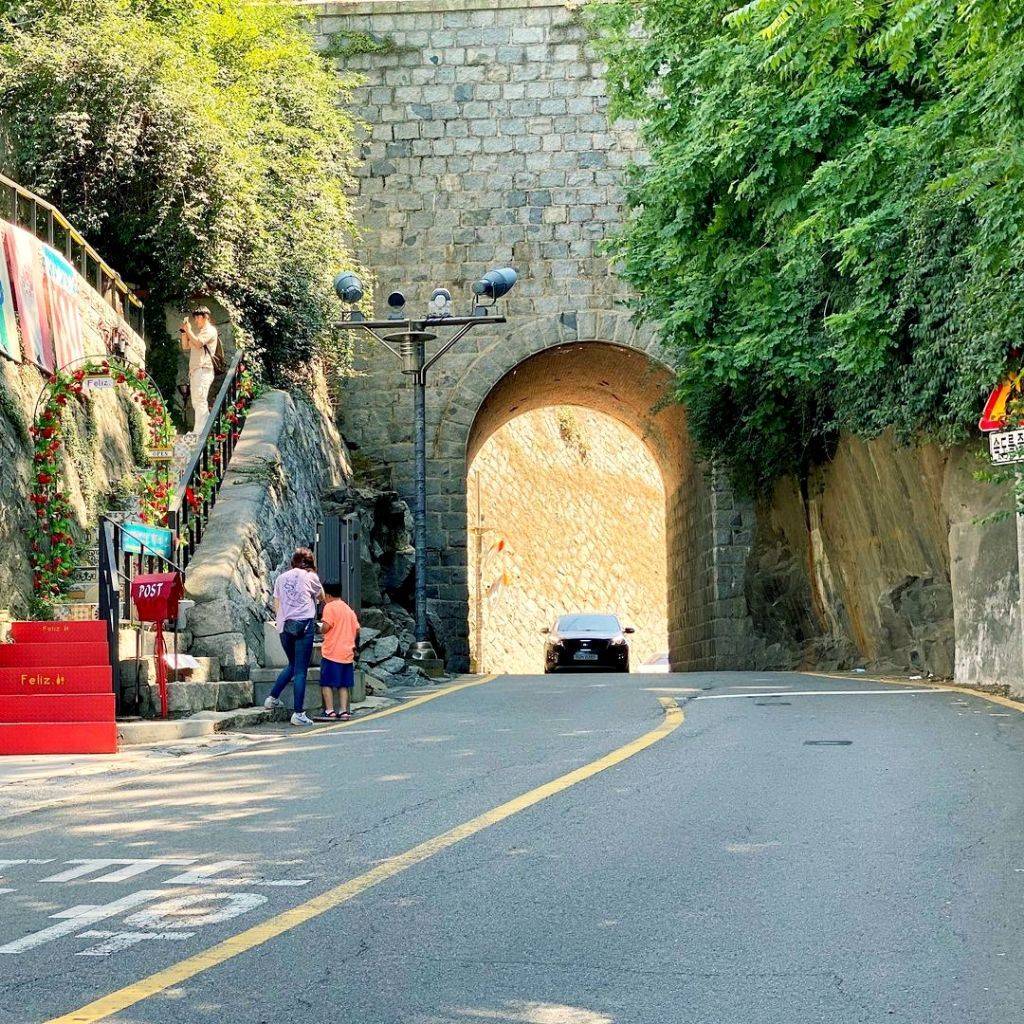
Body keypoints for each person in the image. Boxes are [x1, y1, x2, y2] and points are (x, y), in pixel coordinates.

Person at [264, 548, 324, 727]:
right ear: (310, 562)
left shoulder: (281, 578)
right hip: (304, 626)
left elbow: (276, 604)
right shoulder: (311, 577)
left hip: (284, 627)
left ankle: (272, 698)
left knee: (292, 664)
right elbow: (321, 596)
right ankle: (298, 713)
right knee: (300, 670)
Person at [319, 582, 360, 721]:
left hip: (332, 652)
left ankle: (330, 710)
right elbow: (357, 628)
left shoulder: (329, 607)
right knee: (343, 685)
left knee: (326, 683)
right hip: (347, 653)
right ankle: (343, 711)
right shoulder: (348, 609)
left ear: (328, 594)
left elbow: (326, 626)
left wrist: (320, 629)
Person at [179, 306, 219, 436]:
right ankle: (202, 430)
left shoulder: (210, 330)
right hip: (197, 371)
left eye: (198, 317)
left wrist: (189, 330)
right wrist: (184, 332)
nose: (196, 321)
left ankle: (200, 432)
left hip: (203, 370)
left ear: (205, 317)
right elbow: (185, 346)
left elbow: (198, 343)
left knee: (200, 400)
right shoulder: (201, 333)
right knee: (197, 401)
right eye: (195, 318)